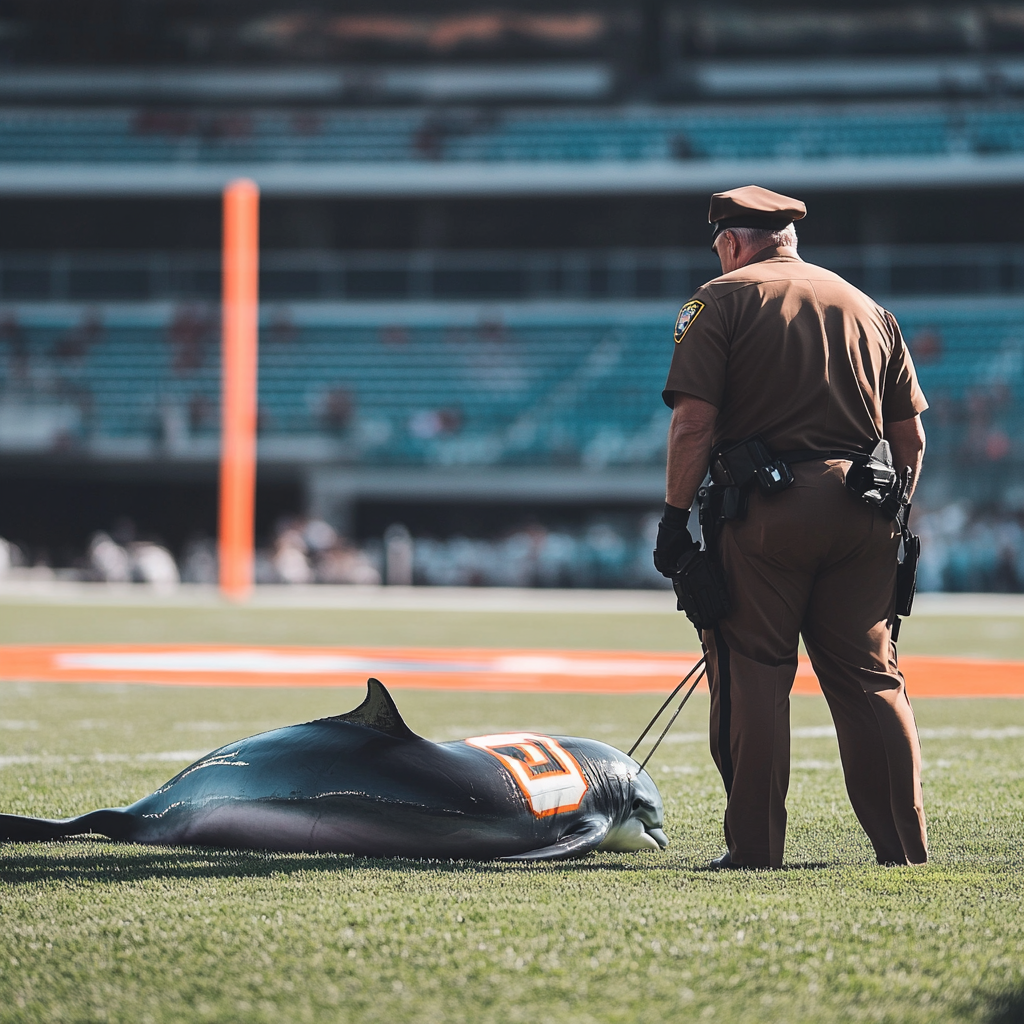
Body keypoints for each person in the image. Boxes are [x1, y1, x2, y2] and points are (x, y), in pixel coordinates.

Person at [654, 185, 929, 870]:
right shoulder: (869, 308)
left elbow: (694, 422)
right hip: (868, 510)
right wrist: (893, 515)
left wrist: (672, 520)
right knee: (872, 679)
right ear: (790, 238)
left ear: (732, 241)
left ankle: (755, 850)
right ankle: (905, 848)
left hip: (768, 516)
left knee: (753, 674)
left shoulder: (719, 300)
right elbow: (912, 440)